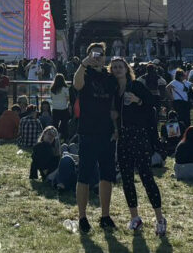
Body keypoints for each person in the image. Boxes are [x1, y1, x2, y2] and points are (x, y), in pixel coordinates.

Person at [112, 56, 166, 235]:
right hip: (123, 137)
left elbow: (153, 104)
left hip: (139, 135)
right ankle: (135, 218)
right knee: (127, 178)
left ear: (127, 69)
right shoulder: (114, 90)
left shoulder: (136, 86)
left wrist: (138, 100)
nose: (117, 69)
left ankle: (160, 218)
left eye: (120, 66)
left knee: (146, 177)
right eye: (114, 67)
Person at [71, 43, 122, 233]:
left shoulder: (110, 79)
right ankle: (82, 217)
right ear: (88, 56)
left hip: (107, 132)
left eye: (101, 54)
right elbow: (77, 85)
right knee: (83, 175)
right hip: (87, 131)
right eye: (94, 54)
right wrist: (83, 65)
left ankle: (105, 215)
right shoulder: (84, 73)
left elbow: (114, 107)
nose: (98, 57)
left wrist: (116, 127)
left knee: (107, 175)